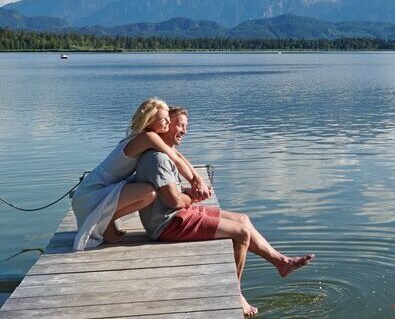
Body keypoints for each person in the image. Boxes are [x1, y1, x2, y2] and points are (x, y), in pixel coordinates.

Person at [137, 106, 311, 317]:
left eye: (186, 126)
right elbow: (173, 201)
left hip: (175, 215)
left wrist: (190, 191)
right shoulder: (157, 159)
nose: (184, 131)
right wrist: (192, 195)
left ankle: (280, 262)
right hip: (167, 224)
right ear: (164, 124)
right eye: (179, 125)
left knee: (243, 220)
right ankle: (236, 294)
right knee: (241, 233)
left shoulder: (164, 153)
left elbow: (168, 191)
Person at [68, 97, 213, 250]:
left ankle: (107, 221)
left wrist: (197, 179)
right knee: (148, 192)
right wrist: (195, 181)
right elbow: (176, 159)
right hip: (90, 194)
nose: (169, 123)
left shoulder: (146, 136)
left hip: (101, 191)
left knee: (150, 194)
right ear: (150, 121)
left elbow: (177, 155)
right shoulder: (147, 137)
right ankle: (106, 224)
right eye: (164, 120)